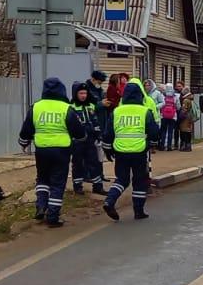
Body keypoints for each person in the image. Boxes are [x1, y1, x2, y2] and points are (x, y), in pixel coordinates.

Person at [19, 76, 85, 226]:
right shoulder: (66, 108)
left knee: (42, 179)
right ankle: (53, 216)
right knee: (57, 182)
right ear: (62, 90)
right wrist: (81, 139)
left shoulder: (36, 107)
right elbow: (78, 131)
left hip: (42, 150)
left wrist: (23, 142)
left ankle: (41, 206)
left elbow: (27, 129)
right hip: (61, 151)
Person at [104, 80, 159, 221]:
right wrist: (152, 144)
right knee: (139, 181)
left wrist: (108, 149)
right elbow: (153, 131)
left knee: (121, 179)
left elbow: (108, 133)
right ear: (140, 95)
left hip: (120, 150)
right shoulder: (145, 111)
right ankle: (138, 211)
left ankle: (109, 201)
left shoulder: (117, 111)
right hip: (139, 151)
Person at [68, 81, 106, 195]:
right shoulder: (71, 108)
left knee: (94, 163)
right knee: (78, 164)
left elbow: (95, 121)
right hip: (77, 141)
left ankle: (98, 186)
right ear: (76, 94)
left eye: (85, 93)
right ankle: (77, 186)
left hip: (90, 140)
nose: (83, 95)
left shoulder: (90, 106)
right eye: (81, 93)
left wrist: (98, 134)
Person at [178, 82, 199, 152]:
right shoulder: (191, 99)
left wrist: (180, 117)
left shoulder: (186, 100)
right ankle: (188, 145)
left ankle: (185, 146)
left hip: (185, 119)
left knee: (184, 132)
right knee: (188, 132)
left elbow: (184, 109)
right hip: (190, 118)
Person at [159, 82, 180, 150]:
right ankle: (169, 146)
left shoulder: (162, 95)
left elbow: (161, 105)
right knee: (170, 131)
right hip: (173, 116)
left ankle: (162, 146)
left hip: (163, 116)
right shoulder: (175, 96)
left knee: (163, 131)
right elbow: (178, 107)